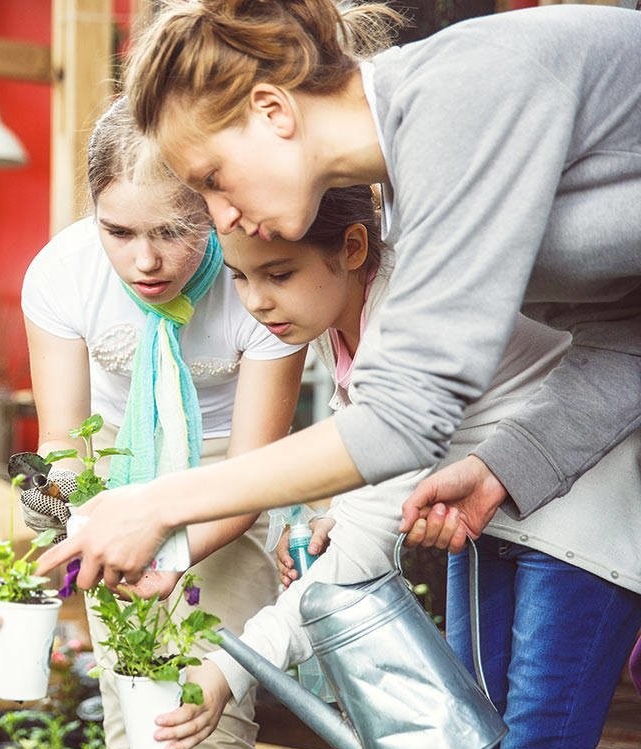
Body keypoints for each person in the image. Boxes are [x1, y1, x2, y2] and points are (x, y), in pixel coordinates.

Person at [44, 0, 641, 650]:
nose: (221, 221)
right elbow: (624, 338)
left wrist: (157, 503)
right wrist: (510, 464)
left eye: (213, 179)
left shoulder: (463, 95)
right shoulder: (419, 181)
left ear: (274, 111)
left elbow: (403, 419)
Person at [133, 183, 641, 749]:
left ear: (352, 248)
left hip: (583, 501)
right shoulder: (332, 313)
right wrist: (340, 513)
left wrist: (230, 671)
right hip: (483, 509)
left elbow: (359, 550)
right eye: (241, 278)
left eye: (279, 274)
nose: (258, 302)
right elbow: (368, 447)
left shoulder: (404, 315)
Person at [21, 97, 305, 749]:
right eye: (117, 230)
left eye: (176, 229)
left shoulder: (260, 279)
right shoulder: (63, 273)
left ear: (215, 205)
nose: (144, 260)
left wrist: (170, 547)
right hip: (113, 467)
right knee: (131, 708)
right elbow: (59, 442)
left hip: (225, 476)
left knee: (212, 705)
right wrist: (65, 524)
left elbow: (253, 473)